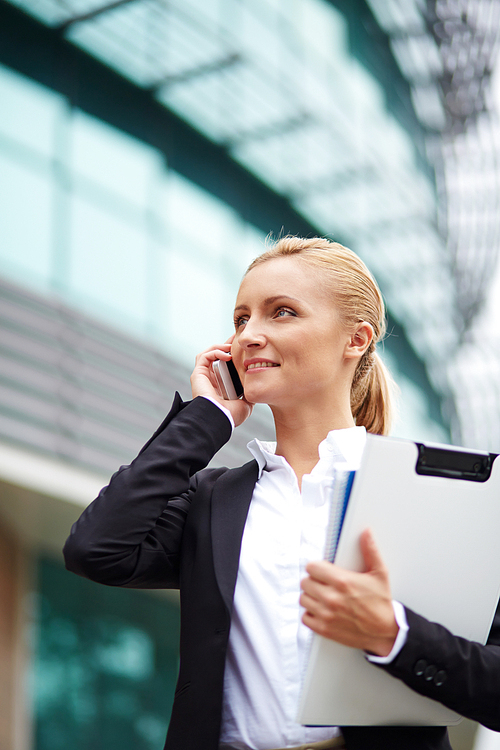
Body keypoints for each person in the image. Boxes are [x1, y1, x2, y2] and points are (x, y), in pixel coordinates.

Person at [64, 237, 500, 750]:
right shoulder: (213, 502)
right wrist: (209, 418)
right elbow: (96, 549)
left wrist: (394, 634)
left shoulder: (430, 494)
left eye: (282, 313)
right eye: (241, 318)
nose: (250, 335)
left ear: (356, 339)